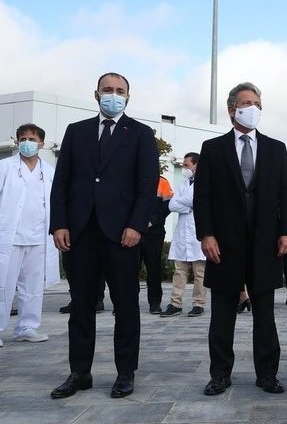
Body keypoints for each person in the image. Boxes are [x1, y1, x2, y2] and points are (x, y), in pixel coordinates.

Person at [49, 72, 159, 399]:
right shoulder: (76, 132)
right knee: (81, 305)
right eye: (107, 90)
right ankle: (79, 372)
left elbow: (147, 184)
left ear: (129, 96)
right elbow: (62, 183)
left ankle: (125, 372)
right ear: (96, 94)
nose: (113, 95)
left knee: (125, 305)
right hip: (80, 233)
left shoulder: (140, 133)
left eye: (120, 91)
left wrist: (137, 226)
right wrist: (60, 224)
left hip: (122, 235)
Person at [194, 82, 287, 395]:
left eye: (257, 103)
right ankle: (220, 374)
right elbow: (203, 197)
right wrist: (206, 234)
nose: (252, 107)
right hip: (224, 245)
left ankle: (267, 374)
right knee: (222, 315)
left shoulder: (276, 148)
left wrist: (286, 232)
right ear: (231, 109)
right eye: (246, 102)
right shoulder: (213, 149)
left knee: (265, 315)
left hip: (266, 244)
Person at [0, 124, 60, 347]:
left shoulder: (50, 171)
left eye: (32, 139)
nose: (27, 142)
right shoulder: (5, 167)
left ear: (42, 144)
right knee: (2, 285)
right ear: (17, 142)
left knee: (32, 286)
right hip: (9, 237)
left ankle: (27, 327)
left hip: (38, 237)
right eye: (23, 138)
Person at [161, 152, 207, 317]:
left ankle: (198, 303)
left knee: (199, 272)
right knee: (179, 271)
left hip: (197, 231)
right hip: (182, 232)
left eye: (186, 165)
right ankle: (175, 303)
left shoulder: (206, 181)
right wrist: (188, 205)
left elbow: (199, 201)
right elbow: (172, 204)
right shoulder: (183, 182)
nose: (184, 168)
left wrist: (187, 202)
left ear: (196, 165)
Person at [139, 176, 172, 314]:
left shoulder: (162, 182)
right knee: (129, 268)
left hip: (154, 232)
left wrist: (152, 221)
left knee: (154, 268)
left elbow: (167, 206)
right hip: (132, 231)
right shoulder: (130, 177)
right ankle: (125, 303)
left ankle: (155, 302)